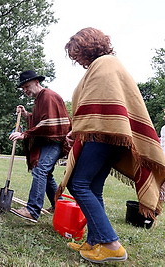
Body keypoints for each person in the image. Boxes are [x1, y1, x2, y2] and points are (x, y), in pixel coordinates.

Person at [57, 27, 165, 263]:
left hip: (105, 134)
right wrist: (78, 130)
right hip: (108, 134)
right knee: (93, 187)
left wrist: (78, 130)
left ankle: (111, 243)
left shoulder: (105, 64)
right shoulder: (107, 64)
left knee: (79, 184)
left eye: (77, 53)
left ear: (87, 46)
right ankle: (95, 242)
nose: (77, 59)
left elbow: (101, 105)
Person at [9, 70, 71, 222]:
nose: (25, 90)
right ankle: (58, 206)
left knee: (40, 170)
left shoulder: (48, 96)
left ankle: (32, 210)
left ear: (37, 82)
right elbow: (39, 121)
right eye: (23, 88)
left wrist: (25, 134)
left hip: (55, 141)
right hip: (47, 141)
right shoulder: (39, 99)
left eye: (27, 86)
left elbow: (50, 124)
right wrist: (26, 115)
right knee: (46, 173)